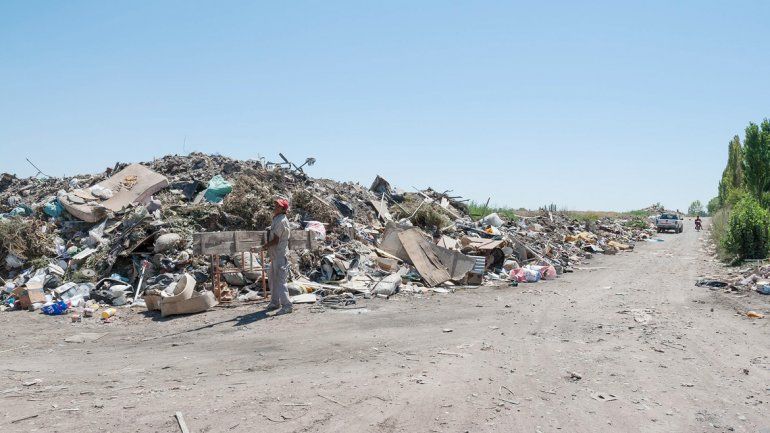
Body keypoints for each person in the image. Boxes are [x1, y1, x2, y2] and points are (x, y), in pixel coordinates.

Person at [263, 197, 292, 314]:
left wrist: (264, 246)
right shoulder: (277, 218)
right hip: (275, 255)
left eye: (278, 206)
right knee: (273, 278)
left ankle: (287, 305)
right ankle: (275, 302)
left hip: (280, 254)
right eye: (275, 205)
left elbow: (275, 240)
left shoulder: (281, 221)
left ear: (282, 209)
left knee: (280, 280)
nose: (275, 207)